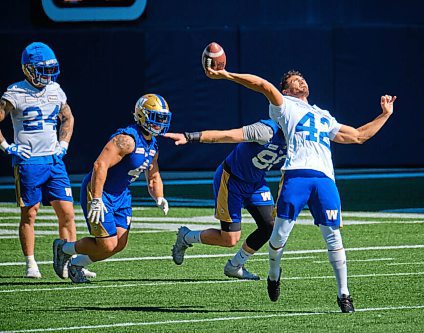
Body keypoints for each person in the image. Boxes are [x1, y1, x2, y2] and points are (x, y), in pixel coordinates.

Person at [205, 67, 396, 313]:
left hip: (325, 179)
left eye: (303, 79)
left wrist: (385, 115)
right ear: (286, 90)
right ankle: (274, 275)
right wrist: (227, 75)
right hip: (296, 174)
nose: (302, 82)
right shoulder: (285, 106)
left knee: (333, 236)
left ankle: (344, 294)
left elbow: (358, 136)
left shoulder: (323, 115)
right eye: (296, 80)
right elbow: (263, 85)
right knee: (279, 234)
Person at [52, 93, 172, 283]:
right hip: (101, 191)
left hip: (122, 194)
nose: (159, 123)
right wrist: (97, 198)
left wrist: (159, 197)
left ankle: (77, 264)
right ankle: (64, 248)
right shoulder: (127, 139)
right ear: (142, 115)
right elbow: (100, 165)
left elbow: (153, 174)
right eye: (156, 118)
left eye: (163, 119)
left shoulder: (153, 144)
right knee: (107, 244)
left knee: (119, 244)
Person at [0, 42, 95, 279]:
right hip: (29, 162)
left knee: (67, 213)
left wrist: (63, 144)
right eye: (43, 69)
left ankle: (70, 261)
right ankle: (30, 262)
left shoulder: (55, 90)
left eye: (51, 69)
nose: (48, 75)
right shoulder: (14, 93)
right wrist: (7, 146)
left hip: (54, 161)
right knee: (29, 214)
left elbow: (68, 117)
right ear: (28, 69)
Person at [166, 118, 286, 280]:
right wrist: (190, 136)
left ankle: (235, 266)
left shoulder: (299, 136)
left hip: (256, 182)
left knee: (270, 226)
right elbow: (226, 135)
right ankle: (186, 237)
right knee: (229, 239)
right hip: (232, 179)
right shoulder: (266, 131)